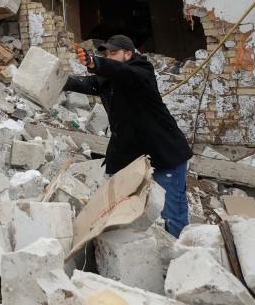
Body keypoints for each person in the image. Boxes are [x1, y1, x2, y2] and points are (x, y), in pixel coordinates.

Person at [64, 34, 192, 237]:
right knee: (125, 211)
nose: (110, 57)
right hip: (131, 156)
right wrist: (59, 80)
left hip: (164, 152)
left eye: (114, 53)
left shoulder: (142, 71)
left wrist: (95, 62)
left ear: (128, 54)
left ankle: (183, 259)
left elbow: (122, 72)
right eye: (107, 54)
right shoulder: (109, 78)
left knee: (172, 214)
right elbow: (88, 84)